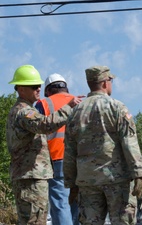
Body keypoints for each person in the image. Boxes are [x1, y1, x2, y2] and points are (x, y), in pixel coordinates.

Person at [63, 65, 142, 225]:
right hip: (116, 180)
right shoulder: (117, 108)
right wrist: (138, 173)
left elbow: (69, 151)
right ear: (105, 83)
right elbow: (129, 143)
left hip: (87, 182)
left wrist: (71, 183)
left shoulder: (75, 112)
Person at [6, 65, 82, 225]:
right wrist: (69, 107)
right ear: (20, 89)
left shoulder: (25, 110)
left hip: (32, 176)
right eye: (34, 86)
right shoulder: (24, 112)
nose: (38, 89)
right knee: (35, 220)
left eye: (39, 85)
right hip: (31, 177)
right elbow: (44, 125)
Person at [35, 73, 79, 225]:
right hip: (82, 160)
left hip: (57, 159)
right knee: (78, 204)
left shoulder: (43, 103)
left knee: (61, 204)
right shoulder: (78, 102)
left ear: (48, 90)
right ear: (66, 87)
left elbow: (37, 131)